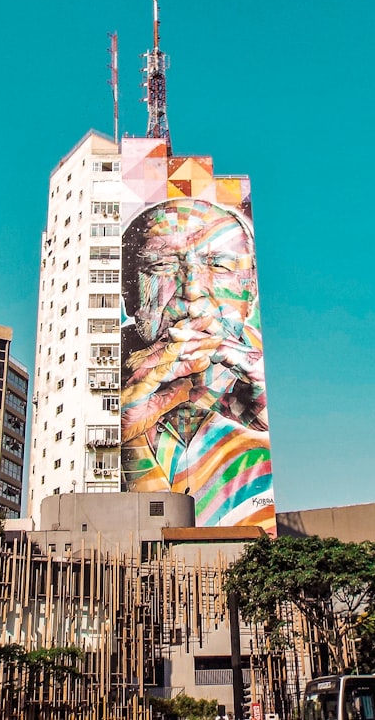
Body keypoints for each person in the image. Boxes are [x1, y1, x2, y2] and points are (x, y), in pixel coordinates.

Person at [120, 198, 275, 533]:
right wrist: (116, 432)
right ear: (128, 293)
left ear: (249, 292)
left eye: (219, 266)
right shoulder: (104, 377)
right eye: (161, 267)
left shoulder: (265, 384)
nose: (191, 290)